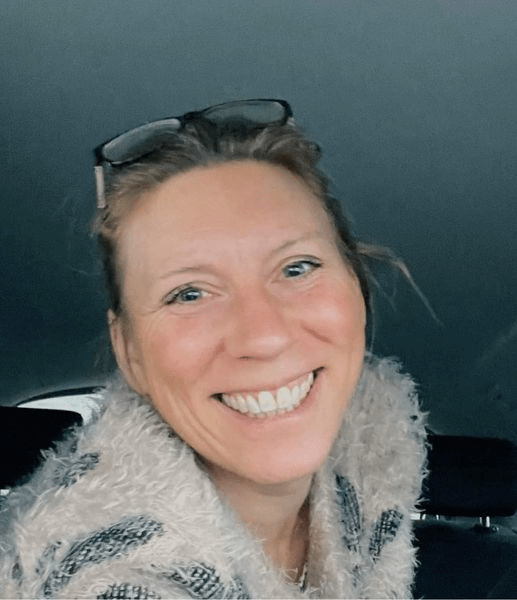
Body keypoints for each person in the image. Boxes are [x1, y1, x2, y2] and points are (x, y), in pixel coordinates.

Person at [0, 99, 426, 598]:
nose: (263, 337)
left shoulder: (375, 476)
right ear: (129, 352)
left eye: (297, 268)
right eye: (189, 294)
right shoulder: (106, 578)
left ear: (357, 288)